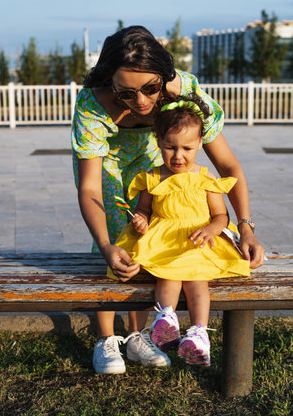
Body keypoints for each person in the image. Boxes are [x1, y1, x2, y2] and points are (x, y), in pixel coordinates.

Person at [71, 25, 265, 375]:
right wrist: (103, 244)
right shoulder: (92, 104)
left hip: (155, 155)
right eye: (126, 94)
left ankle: (136, 336)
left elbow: (226, 165)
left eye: (150, 88)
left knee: (152, 246)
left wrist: (246, 228)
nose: (142, 102)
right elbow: (89, 189)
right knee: (119, 244)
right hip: (108, 165)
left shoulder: (186, 92)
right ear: (109, 81)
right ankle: (105, 339)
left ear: (164, 76)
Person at [112, 95, 251, 366]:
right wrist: (140, 220)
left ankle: (199, 333)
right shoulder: (152, 177)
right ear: (158, 142)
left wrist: (212, 229)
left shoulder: (206, 178)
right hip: (165, 241)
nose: (178, 156)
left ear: (200, 143)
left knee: (198, 281)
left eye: (187, 148)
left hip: (197, 239)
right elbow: (144, 210)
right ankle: (166, 317)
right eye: (169, 148)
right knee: (168, 275)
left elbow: (221, 215)